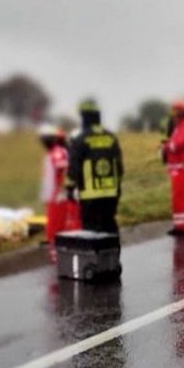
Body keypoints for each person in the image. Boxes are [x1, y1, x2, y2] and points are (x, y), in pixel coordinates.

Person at [66, 101, 124, 234]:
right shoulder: (111, 138)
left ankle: (96, 255)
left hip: (90, 196)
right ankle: (112, 253)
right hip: (111, 193)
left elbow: (73, 168)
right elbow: (120, 167)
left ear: (84, 118)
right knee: (109, 225)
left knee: (91, 231)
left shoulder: (80, 139)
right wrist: (118, 188)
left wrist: (71, 189)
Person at [38, 124, 78, 260]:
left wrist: (60, 190)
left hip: (57, 195)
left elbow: (64, 171)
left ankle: (58, 252)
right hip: (56, 195)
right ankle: (61, 250)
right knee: (60, 224)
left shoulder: (58, 153)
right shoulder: (57, 152)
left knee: (56, 225)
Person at [161, 100, 184, 236]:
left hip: (183, 167)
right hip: (181, 168)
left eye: (175, 112)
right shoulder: (182, 126)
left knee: (181, 197)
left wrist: (166, 146)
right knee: (181, 197)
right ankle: (182, 225)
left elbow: (177, 145)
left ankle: (182, 227)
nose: (173, 116)